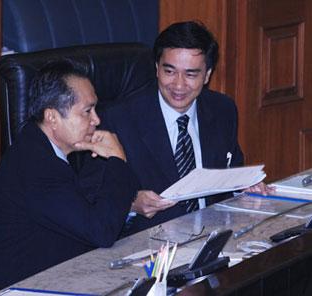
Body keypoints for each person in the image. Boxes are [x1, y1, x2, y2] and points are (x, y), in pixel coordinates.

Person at [0, 60, 139, 288]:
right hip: (14, 288)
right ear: (52, 117)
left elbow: (81, 213)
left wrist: (129, 205)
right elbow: (101, 232)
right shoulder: (36, 166)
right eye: (87, 111)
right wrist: (118, 160)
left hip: (55, 273)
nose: (97, 120)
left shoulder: (39, 146)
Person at [98, 21, 269, 235]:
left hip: (214, 238)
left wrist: (247, 188)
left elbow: (231, 175)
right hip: (150, 247)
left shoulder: (222, 109)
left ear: (207, 75)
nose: (178, 85)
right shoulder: (119, 119)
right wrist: (130, 204)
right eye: (169, 71)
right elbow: (95, 195)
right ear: (156, 68)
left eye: (190, 74)